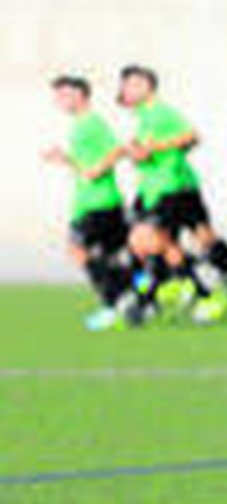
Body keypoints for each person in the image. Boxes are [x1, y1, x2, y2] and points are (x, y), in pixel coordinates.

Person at [119, 64, 227, 325]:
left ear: (146, 86)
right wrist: (137, 151)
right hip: (158, 189)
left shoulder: (162, 112)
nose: (126, 90)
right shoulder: (144, 116)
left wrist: (158, 147)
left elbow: (191, 136)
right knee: (193, 240)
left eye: (131, 84)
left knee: (152, 243)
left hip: (172, 188)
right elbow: (148, 152)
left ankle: (200, 292)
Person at [43, 75, 134, 331]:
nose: (60, 101)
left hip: (98, 202)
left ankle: (114, 304)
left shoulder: (91, 123)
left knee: (78, 251)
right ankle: (133, 295)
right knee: (113, 256)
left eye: (65, 95)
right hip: (91, 201)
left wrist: (97, 169)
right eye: (58, 96)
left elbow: (117, 149)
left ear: (81, 95)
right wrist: (66, 160)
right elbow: (85, 165)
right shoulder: (80, 125)